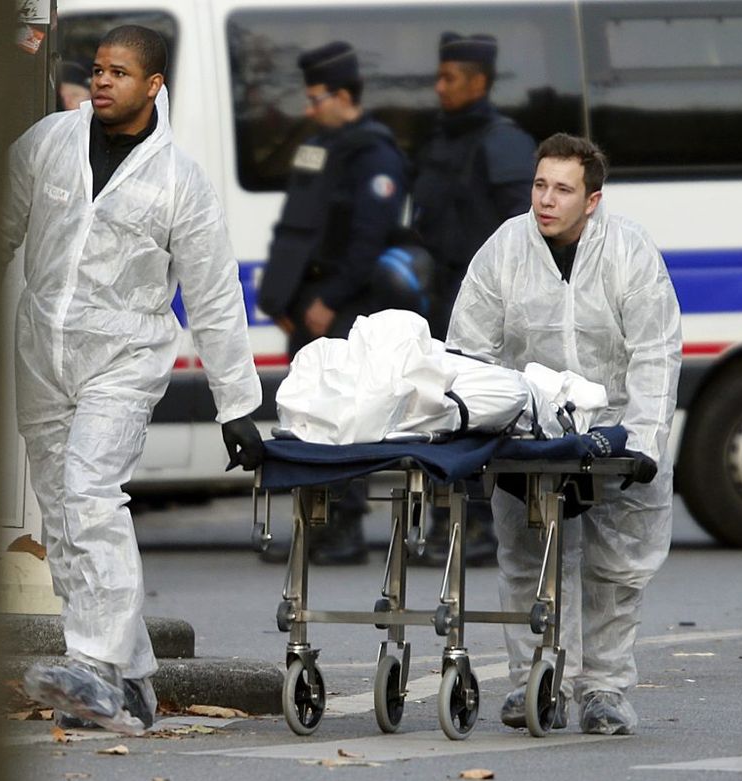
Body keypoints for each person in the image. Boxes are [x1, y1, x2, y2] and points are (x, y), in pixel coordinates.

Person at [3, 25, 264, 734]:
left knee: (91, 494)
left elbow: (213, 295)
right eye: (97, 69)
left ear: (153, 86)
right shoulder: (49, 143)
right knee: (62, 515)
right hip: (43, 356)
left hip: (123, 361)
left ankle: (93, 665)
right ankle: (136, 680)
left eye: (120, 72)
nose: (103, 81)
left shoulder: (180, 180)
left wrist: (237, 402)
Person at [446, 134, 682, 735]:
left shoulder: (629, 253)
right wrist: (475, 426)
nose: (546, 200)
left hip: (616, 426)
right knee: (526, 558)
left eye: (563, 189)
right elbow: (471, 347)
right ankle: (537, 680)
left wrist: (646, 443)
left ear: (593, 199)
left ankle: (603, 689)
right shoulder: (505, 248)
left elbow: (655, 352)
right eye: (540, 185)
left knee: (614, 567)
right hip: (531, 432)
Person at [257, 41, 409, 565]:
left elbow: (369, 240)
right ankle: (314, 529)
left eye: (317, 97)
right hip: (306, 304)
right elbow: (294, 226)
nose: (309, 108)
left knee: (343, 421)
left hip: (344, 306)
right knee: (307, 418)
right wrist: (280, 296)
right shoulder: (318, 146)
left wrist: (329, 300)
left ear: (344, 95)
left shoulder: (375, 154)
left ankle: (345, 531)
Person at [410, 32, 536, 567]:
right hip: (441, 297)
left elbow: (523, 231)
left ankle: (483, 525)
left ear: (479, 82)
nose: (439, 88)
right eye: (438, 77)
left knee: (482, 412)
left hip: (486, 303)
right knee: (441, 411)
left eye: (450, 78)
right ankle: (449, 520)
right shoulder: (441, 140)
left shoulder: (501, 142)